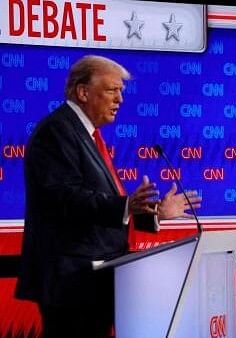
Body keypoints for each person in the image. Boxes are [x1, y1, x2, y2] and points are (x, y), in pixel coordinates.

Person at [15, 55, 202, 338]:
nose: (120, 99)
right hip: (72, 283)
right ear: (83, 92)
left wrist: (155, 213)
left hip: (94, 281)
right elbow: (65, 198)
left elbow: (101, 206)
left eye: (121, 91)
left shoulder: (86, 135)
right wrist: (126, 205)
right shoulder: (56, 132)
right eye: (112, 90)